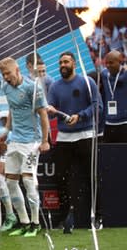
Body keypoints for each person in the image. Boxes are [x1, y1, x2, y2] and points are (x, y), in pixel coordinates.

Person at [46, 51, 102, 233]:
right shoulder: (54, 87)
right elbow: (50, 109)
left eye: (66, 62)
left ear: (74, 64)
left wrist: (80, 116)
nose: (63, 65)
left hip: (86, 135)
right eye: (60, 62)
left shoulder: (88, 82)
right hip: (64, 137)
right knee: (60, 178)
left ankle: (97, 217)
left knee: (91, 177)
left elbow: (97, 106)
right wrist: (51, 111)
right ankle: (64, 219)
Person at [0, 57, 50, 237]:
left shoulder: (32, 88)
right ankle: (25, 222)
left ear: (17, 70)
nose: (6, 77)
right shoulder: (5, 87)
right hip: (15, 140)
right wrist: (7, 132)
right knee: (10, 182)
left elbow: (43, 115)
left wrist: (44, 140)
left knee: (28, 180)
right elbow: (12, 109)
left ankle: (36, 224)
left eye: (8, 73)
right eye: (3, 74)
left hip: (32, 142)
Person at [100, 50, 127, 142]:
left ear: (120, 61)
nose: (108, 65)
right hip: (109, 123)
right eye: (106, 63)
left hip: (125, 123)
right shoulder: (103, 75)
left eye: (111, 63)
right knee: (109, 153)